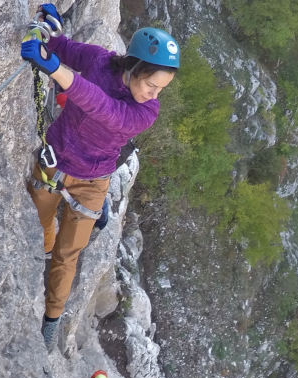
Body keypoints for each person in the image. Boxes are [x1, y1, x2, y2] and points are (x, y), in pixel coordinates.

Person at [20, 3, 179, 348]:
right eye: (152, 84)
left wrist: (57, 71)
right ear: (134, 67)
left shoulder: (145, 111)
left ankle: (52, 318)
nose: (154, 95)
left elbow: (103, 108)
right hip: (56, 161)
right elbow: (62, 49)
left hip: (93, 183)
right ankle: (44, 250)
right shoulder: (99, 61)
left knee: (69, 253)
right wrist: (50, 32)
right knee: (40, 223)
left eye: (161, 89)